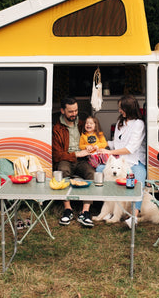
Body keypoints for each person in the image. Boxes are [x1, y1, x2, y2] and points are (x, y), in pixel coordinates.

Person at [98, 95, 146, 228]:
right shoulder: (121, 122)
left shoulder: (138, 124)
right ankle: (110, 210)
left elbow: (131, 148)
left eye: (121, 108)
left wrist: (110, 152)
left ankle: (134, 216)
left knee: (138, 181)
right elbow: (116, 144)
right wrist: (100, 146)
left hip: (135, 161)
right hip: (120, 161)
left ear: (129, 109)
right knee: (99, 170)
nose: (119, 111)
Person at [52, 97, 95, 227]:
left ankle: (85, 212)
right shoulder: (57, 129)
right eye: (70, 111)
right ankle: (67, 209)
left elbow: (94, 137)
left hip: (82, 160)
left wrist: (91, 146)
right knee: (62, 171)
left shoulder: (82, 124)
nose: (74, 114)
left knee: (92, 174)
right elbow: (57, 155)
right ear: (62, 111)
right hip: (67, 159)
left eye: (76, 110)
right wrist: (76, 154)